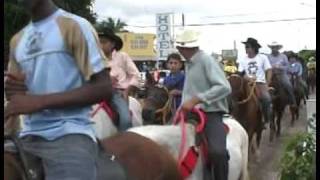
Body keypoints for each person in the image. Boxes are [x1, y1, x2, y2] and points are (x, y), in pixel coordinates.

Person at [4, 0, 112, 179]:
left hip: (69, 133)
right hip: (27, 135)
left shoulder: (75, 26)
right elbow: (18, 95)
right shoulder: (17, 40)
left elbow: (103, 87)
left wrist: (38, 102)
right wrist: (13, 92)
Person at [176, 29, 231, 180]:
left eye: (180, 47)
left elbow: (224, 87)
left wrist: (197, 99)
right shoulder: (189, 64)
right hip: (189, 113)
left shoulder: (206, 60)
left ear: (186, 48)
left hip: (210, 113)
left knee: (218, 152)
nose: (178, 50)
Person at [98, 28, 140, 131]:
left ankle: (125, 142)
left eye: (104, 42)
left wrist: (127, 91)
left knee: (125, 120)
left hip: (116, 93)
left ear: (113, 44)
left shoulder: (122, 57)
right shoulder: (94, 59)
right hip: (96, 91)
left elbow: (135, 75)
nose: (100, 45)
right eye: (98, 42)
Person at [237, 38, 273, 129]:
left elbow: (269, 70)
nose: (246, 49)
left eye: (248, 47)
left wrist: (267, 84)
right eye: (245, 47)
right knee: (234, 96)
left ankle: (265, 119)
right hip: (247, 83)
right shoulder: (242, 59)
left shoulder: (262, 57)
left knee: (266, 98)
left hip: (260, 83)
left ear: (254, 48)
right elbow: (241, 73)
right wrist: (248, 78)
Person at [267, 41, 297, 108]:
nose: (274, 49)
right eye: (273, 47)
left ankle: (292, 101)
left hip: (281, 74)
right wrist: (271, 67)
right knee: (262, 85)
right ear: (271, 48)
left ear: (278, 48)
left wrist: (280, 67)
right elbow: (266, 66)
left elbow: (287, 66)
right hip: (271, 74)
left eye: (275, 47)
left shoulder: (283, 56)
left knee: (288, 85)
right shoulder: (268, 57)